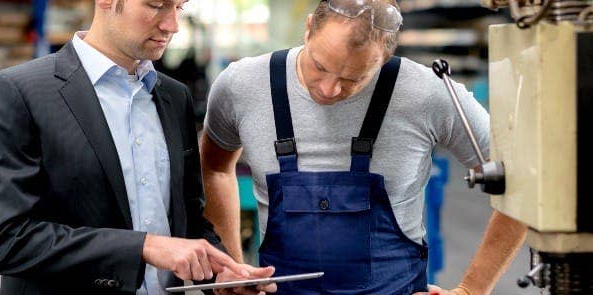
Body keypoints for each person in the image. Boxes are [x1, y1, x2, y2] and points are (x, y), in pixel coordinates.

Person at [202, 0, 527, 294]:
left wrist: (472, 289)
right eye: (320, 66)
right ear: (308, 27)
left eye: (353, 79)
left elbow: (522, 182)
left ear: (384, 58)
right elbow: (215, 168)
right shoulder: (242, 86)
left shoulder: (425, 93)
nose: (329, 90)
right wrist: (233, 268)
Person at [0, 0, 275, 294]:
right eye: (156, 6)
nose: (172, 25)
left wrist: (221, 273)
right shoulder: (17, 93)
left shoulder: (173, 97)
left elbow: (189, 220)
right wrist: (144, 246)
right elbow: (6, 241)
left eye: (179, 8)